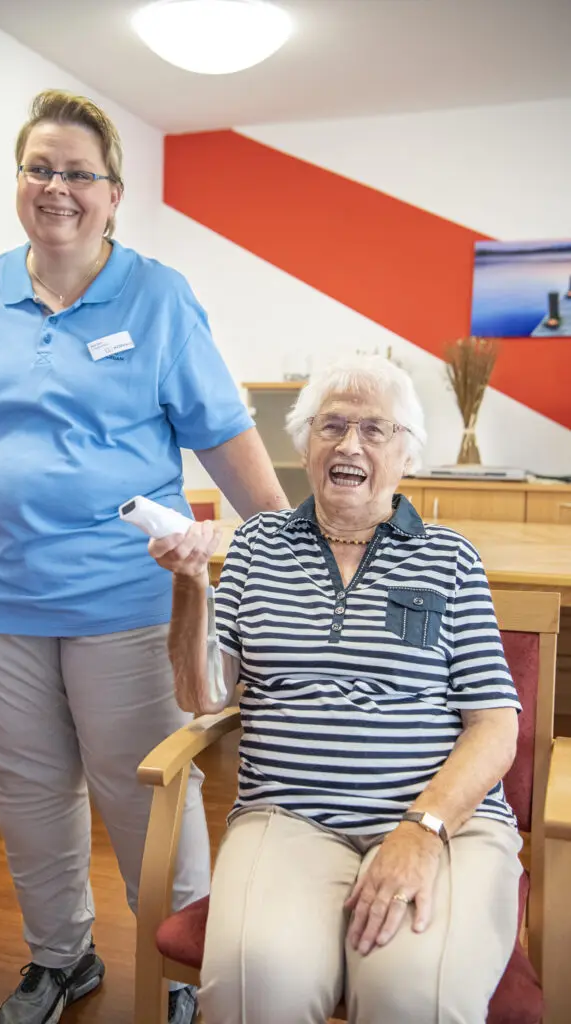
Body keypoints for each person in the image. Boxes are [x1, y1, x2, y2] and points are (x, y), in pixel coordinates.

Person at [0, 90, 288, 1024]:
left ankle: (183, 970)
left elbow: (228, 440)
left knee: (145, 791)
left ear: (113, 194)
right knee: (26, 792)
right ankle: (59, 957)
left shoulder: (157, 295)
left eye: (77, 172)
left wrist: (292, 549)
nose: (55, 187)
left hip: (126, 600)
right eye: (39, 168)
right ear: (17, 183)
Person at [152, 355, 523, 1024]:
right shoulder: (255, 547)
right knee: (254, 983)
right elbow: (203, 695)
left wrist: (422, 829)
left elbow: (493, 724)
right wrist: (188, 586)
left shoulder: (448, 557)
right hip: (289, 817)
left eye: (375, 430)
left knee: (412, 994)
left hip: (440, 824)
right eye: (332, 426)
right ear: (304, 444)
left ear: (405, 454)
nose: (350, 444)